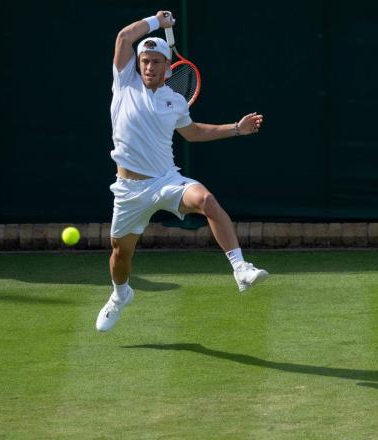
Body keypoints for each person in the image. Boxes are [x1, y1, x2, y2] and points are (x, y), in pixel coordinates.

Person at [96, 10, 268, 332]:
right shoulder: (124, 83)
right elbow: (123, 38)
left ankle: (240, 268)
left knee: (207, 201)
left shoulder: (175, 101)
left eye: (155, 62)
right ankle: (121, 294)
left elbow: (193, 132)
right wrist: (155, 22)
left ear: (166, 67)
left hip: (166, 180)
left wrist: (236, 129)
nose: (148, 66)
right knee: (120, 255)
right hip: (129, 190)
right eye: (144, 60)